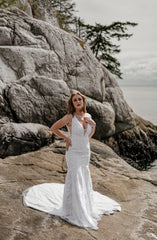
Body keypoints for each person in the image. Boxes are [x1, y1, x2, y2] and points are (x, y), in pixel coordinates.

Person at [23, 91, 121, 230]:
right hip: (73, 152)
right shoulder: (70, 117)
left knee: (84, 176)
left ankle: (84, 205)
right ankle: (73, 209)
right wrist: (67, 138)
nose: (78, 101)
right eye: (75, 100)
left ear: (83, 101)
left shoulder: (88, 116)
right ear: (73, 104)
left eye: (79, 99)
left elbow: (89, 136)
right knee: (75, 177)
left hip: (85, 152)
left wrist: (93, 125)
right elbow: (53, 128)